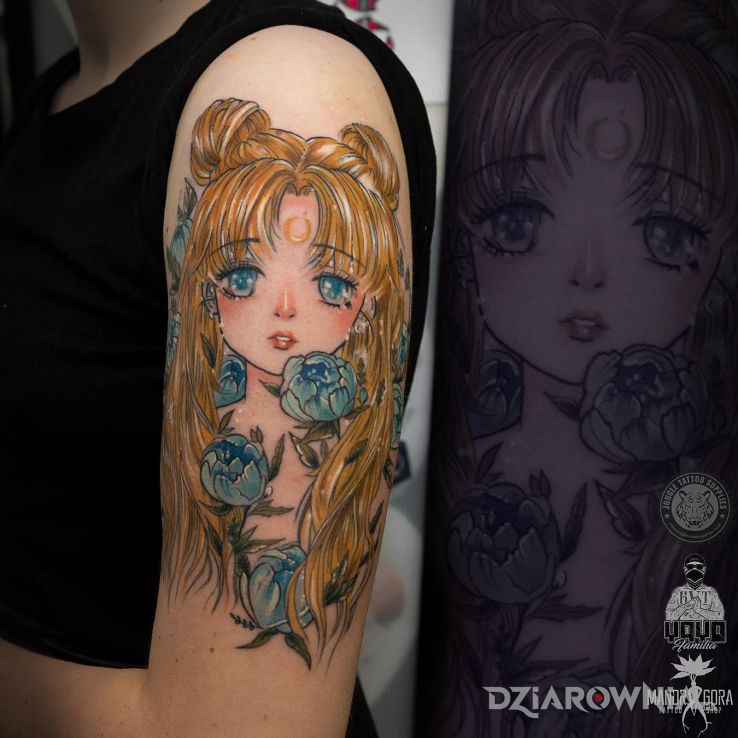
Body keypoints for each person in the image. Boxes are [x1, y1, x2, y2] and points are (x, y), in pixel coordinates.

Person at [0, 1, 435, 735]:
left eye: (332, 285)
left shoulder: (289, 84)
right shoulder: (59, 93)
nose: (287, 313)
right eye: (240, 277)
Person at [417, 1, 737, 736]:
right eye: (518, 222)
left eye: (664, 234)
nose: (588, 272)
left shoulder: (700, 506)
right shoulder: (462, 467)